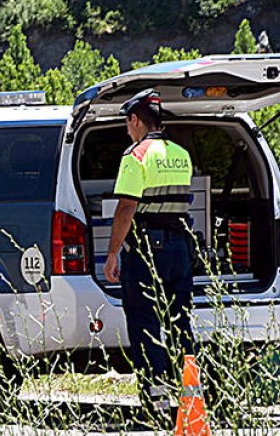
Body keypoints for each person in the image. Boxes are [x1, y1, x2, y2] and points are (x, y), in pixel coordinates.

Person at [103, 90, 195, 413]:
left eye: (128, 124)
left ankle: (156, 403)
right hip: (180, 251)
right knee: (180, 322)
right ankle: (189, 395)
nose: (127, 131)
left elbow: (126, 208)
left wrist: (112, 253)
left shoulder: (135, 155)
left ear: (135, 120)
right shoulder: (181, 154)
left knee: (145, 324)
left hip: (147, 251)